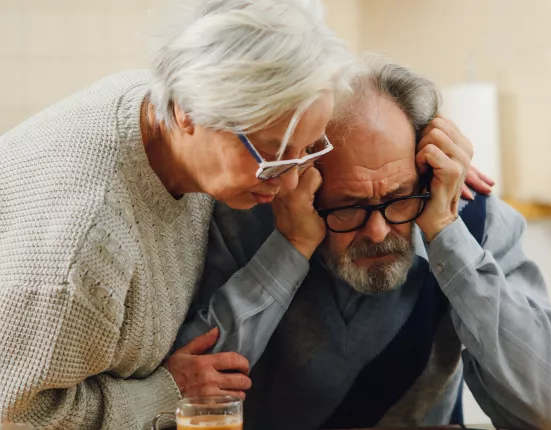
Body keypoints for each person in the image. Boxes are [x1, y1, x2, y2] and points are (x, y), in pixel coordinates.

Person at [0, 0, 358, 428]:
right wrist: (167, 393)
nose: (289, 181)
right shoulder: (87, 246)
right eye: (271, 153)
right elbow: (15, 414)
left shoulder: (157, 110)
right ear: (188, 109)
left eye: (307, 148)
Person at [176, 55, 551, 430]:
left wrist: (447, 236)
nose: (379, 232)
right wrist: (290, 246)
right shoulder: (244, 217)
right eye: (348, 206)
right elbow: (187, 396)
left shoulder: (472, 219)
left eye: (399, 196)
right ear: (302, 178)